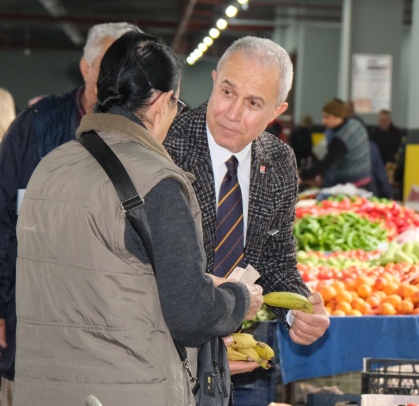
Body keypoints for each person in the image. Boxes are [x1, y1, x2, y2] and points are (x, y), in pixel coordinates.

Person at [14, 31, 262, 405]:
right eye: (177, 102)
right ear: (162, 101)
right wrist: (240, 298)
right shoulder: (155, 181)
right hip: (127, 390)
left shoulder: (50, 167)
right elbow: (192, 316)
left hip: (42, 388)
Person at [164, 36, 330, 356]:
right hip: (164, 343)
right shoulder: (165, 145)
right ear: (214, 81)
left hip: (241, 343)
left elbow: (276, 261)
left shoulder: (280, 161)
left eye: (253, 103)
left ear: (276, 111)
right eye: (228, 92)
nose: (233, 112)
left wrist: (298, 313)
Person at [0, 21, 138, 405]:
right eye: (108, 65)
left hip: (116, 331)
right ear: (86, 67)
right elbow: (2, 218)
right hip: (35, 316)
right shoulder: (36, 126)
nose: (117, 78)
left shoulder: (149, 140)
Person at [300, 98, 373, 191]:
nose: (323, 121)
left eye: (327, 117)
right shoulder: (355, 124)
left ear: (337, 116)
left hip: (351, 186)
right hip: (366, 180)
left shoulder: (342, 137)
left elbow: (327, 162)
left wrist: (302, 176)